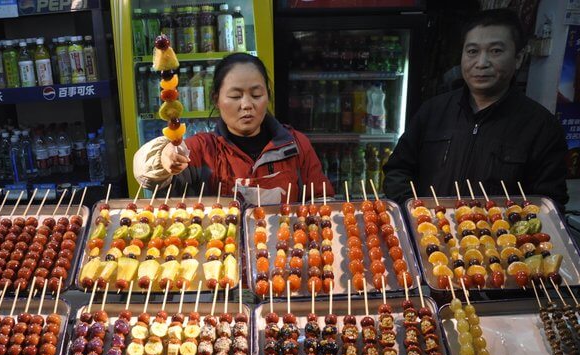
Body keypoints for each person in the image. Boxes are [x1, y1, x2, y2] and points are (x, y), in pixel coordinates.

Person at [383, 9, 568, 207]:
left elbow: (549, 203)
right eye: (472, 51)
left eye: (496, 51)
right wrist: (412, 210)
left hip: (500, 236)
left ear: (518, 58)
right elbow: (397, 170)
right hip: (426, 231)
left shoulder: (542, 127)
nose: (481, 63)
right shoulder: (433, 111)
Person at [134, 53, 334, 204]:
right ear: (216, 99)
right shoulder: (203, 149)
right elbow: (147, 177)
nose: (247, 104)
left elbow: (321, 201)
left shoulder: (295, 145)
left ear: (268, 95)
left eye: (256, 95)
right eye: (236, 96)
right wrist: (162, 157)